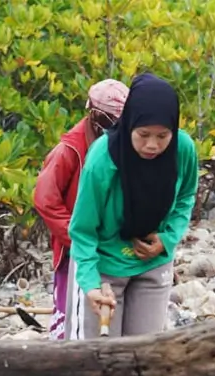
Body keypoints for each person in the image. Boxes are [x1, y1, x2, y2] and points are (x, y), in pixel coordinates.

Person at [67, 73, 198, 376]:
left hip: (152, 265)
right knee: (97, 355)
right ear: (129, 127)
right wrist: (90, 286)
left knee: (146, 354)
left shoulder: (184, 150)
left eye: (162, 136)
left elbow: (184, 198)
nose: (153, 145)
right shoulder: (105, 159)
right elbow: (82, 230)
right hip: (104, 266)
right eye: (144, 135)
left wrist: (167, 240)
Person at [35, 79, 129, 340]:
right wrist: (77, 236)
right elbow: (45, 199)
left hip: (110, 245)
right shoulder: (69, 150)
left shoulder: (118, 144)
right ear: (96, 114)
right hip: (75, 248)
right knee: (71, 312)